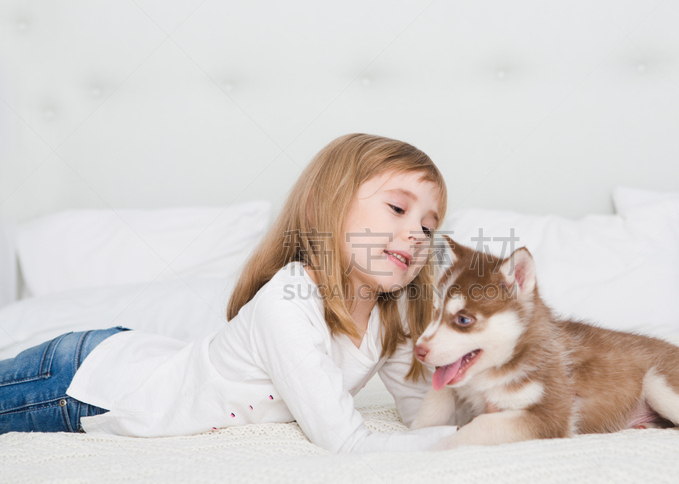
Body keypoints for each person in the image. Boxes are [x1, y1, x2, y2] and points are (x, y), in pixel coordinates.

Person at [0, 133, 460, 453]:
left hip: (138, 353)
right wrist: (456, 443)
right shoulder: (290, 299)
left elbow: (424, 415)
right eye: (397, 207)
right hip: (91, 381)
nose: (417, 234)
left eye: (427, 226)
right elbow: (347, 440)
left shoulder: (391, 317)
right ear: (327, 202)